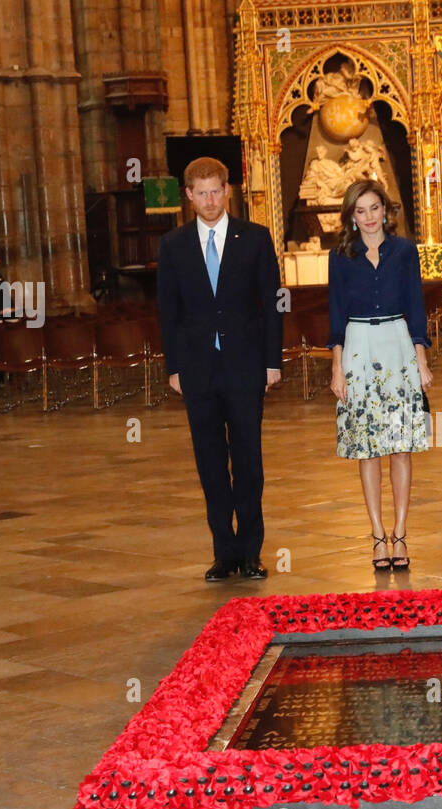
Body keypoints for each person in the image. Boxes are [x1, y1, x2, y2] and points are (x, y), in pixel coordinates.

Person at [156, 157, 283, 581]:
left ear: (228, 190)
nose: (210, 200)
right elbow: (168, 312)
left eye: (217, 190)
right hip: (197, 369)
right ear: (189, 196)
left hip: (246, 366)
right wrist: (174, 366)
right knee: (210, 461)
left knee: (248, 459)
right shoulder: (173, 245)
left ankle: (251, 551)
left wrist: (271, 361)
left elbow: (272, 304)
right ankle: (223, 552)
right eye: (202, 192)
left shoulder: (256, 238)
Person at [328, 181, 433, 572]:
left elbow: (416, 308)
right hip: (357, 346)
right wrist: (337, 367)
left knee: (400, 446)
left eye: (374, 209)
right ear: (351, 217)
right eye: (361, 211)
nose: (369, 217)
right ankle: (377, 536)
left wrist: (420, 360)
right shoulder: (340, 256)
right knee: (367, 448)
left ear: (385, 212)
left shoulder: (404, 251)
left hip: (397, 344)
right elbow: (336, 313)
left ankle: (401, 533)